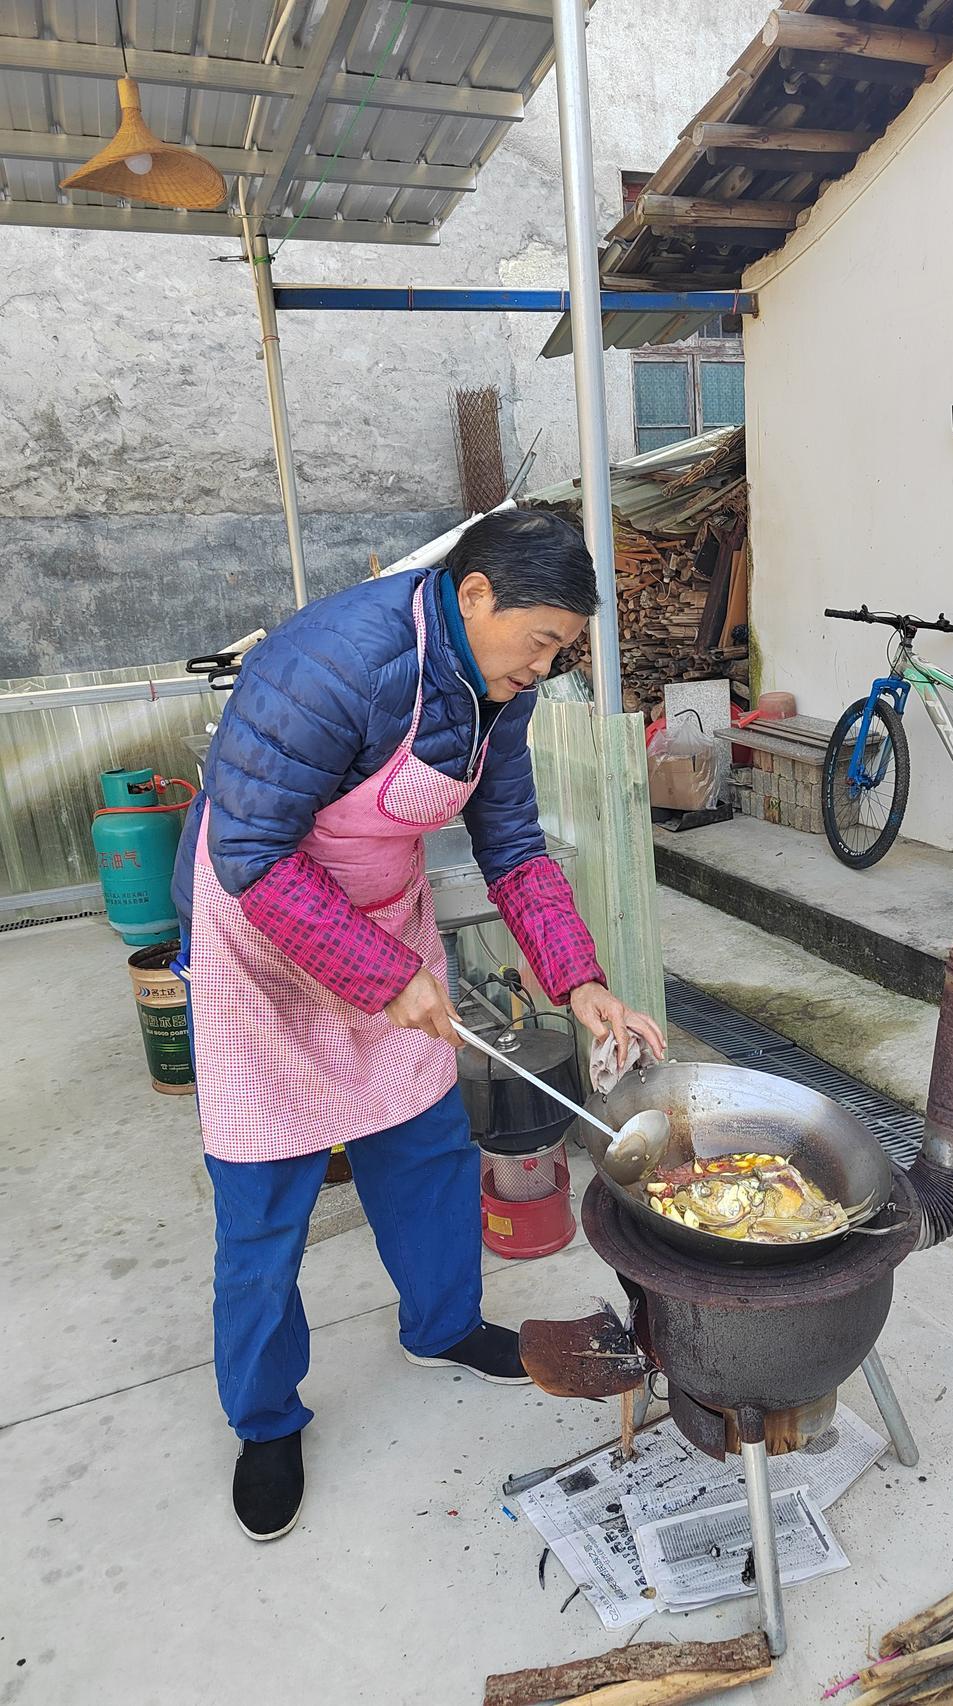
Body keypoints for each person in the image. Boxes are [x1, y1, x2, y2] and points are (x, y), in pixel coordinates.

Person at [172, 508, 665, 1542]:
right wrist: (374, 972)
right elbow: (252, 849)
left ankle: (441, 1325)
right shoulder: (337, 660)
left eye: (562, 652)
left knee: (427, 1145)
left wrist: (579, 981)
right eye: (542, 642)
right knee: (263, 1202)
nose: (546, 666)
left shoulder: (498, 692)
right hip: (260, 940)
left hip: (380, 924)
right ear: (475, 591)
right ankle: (265, 1419)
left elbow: (513, 843)